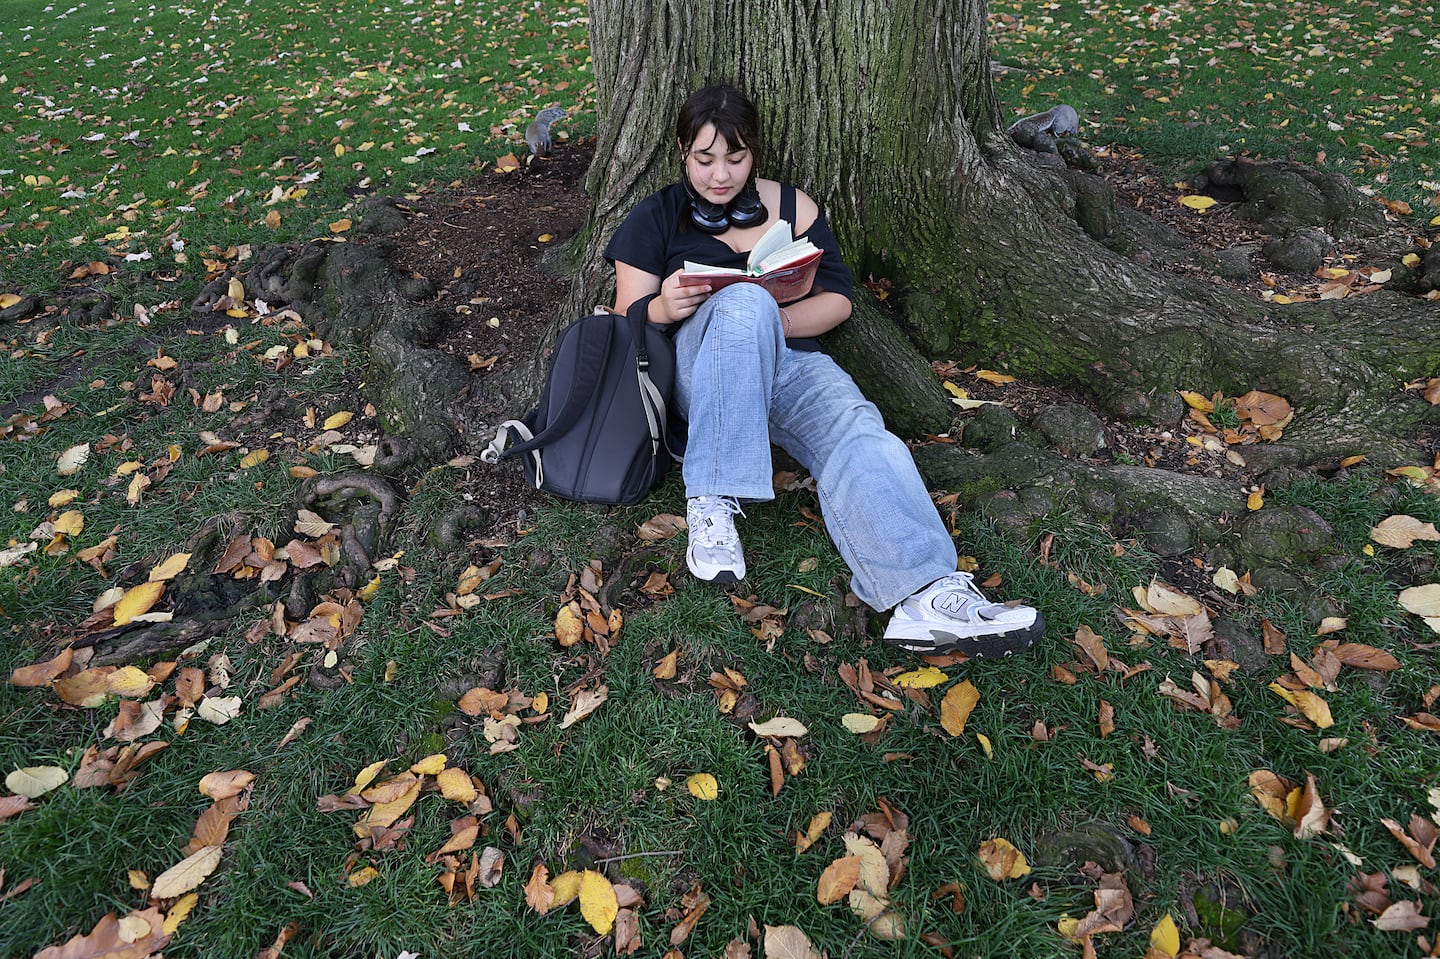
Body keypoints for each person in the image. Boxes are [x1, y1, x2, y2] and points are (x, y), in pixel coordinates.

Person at [603, 83, 1043, 657]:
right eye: (705, 159)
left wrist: (767, 323)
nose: (720, 175)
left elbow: (838, 301)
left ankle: (926, 594)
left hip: (788, 360)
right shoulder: (657, 214)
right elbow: (624, 316)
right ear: (683, 150)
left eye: (735, 159)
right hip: (698, 367)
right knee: (742, 305)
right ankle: (711, 501)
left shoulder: (793, 207)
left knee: (858, 430)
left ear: (753, 151)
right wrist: (665, 306)